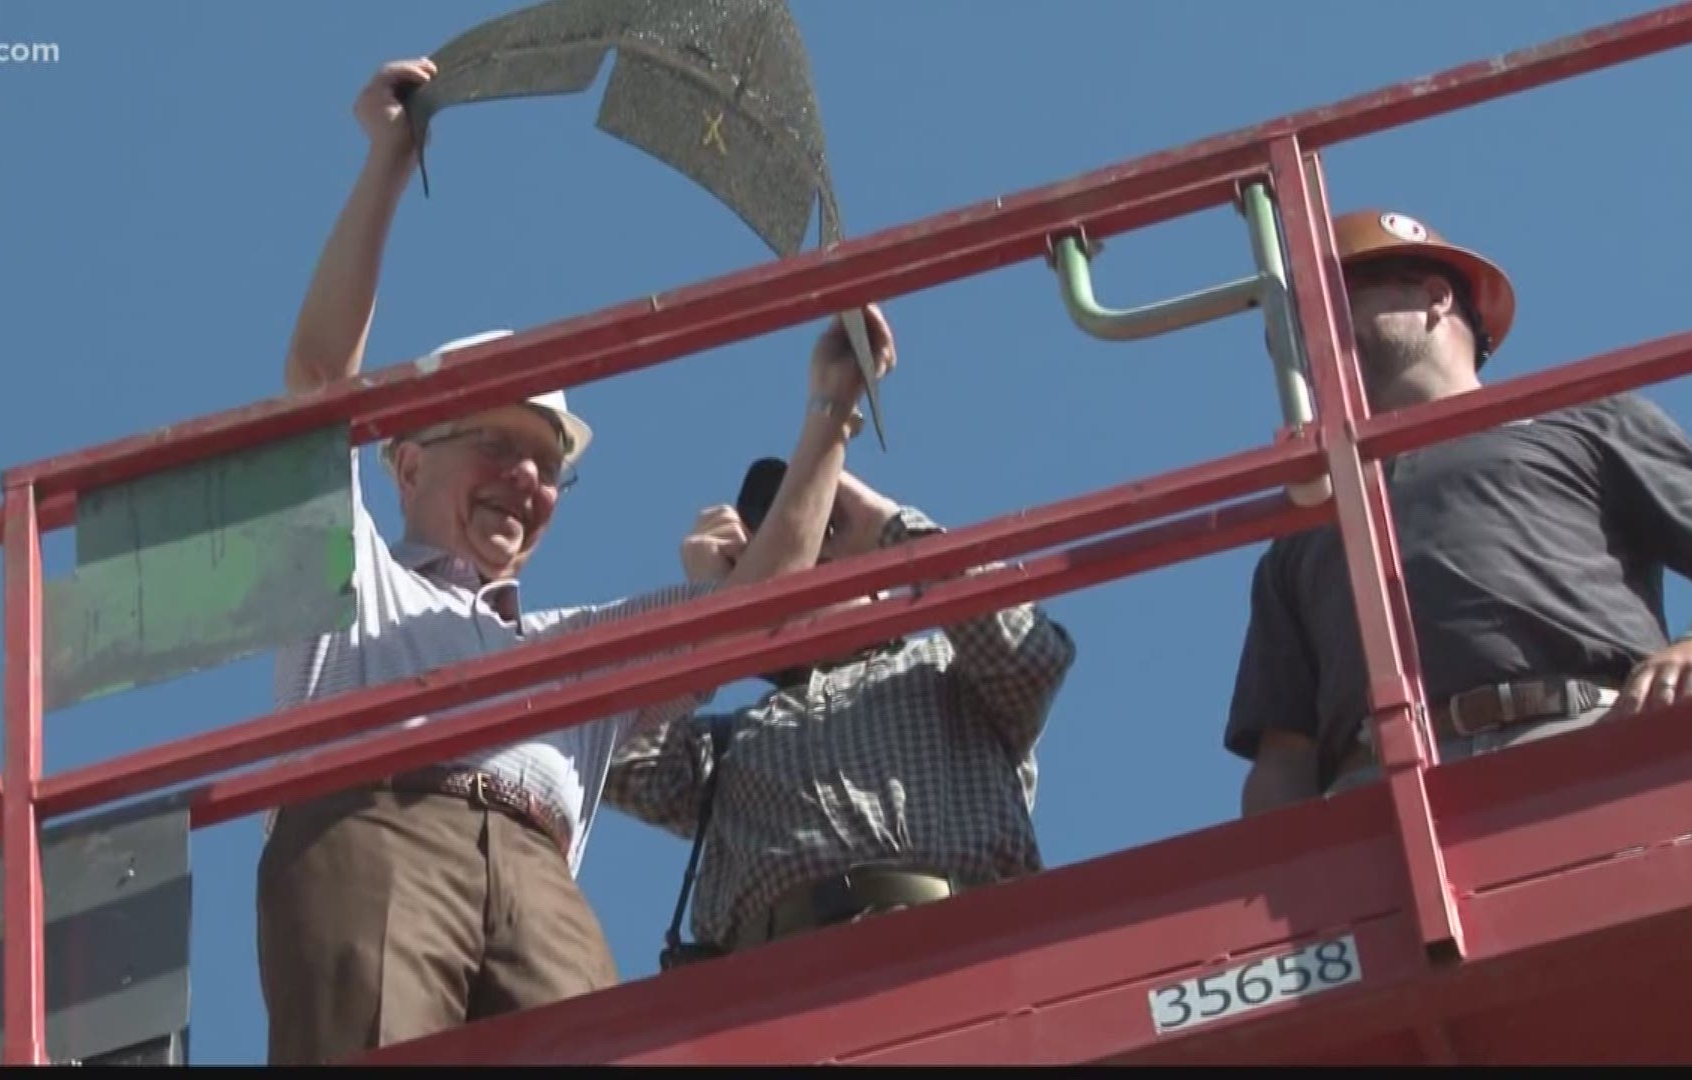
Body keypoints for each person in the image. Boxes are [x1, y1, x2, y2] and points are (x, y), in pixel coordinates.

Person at [256, 56, 897, 1064]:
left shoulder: (576, 649)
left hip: (539, 870)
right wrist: (389, 160)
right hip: (375, 830)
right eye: (498, 446)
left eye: (548, 464)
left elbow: (762, 608)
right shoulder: (353, 576)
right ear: (410, 457)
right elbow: (318, 379)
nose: (525, 477)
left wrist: (831, 412)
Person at [1226, 208, 1692, 814]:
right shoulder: (1304, 525)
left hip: (1589, 744)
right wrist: (1296, 884)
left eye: (1328, 306)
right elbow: (1285, 758)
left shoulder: (1585, 421)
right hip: (1382, 797)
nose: (1303, 341)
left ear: (1435, 296)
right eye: (1289, 327)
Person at [604, 454, 1078, 955]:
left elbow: (1029, 651)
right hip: (778, 989)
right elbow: (601, 752)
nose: (810, 571)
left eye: (826, 553)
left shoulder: (950, 670)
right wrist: (707, 613)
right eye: (789, 565)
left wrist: (883, 523)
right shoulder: (723, 747)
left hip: (959, 952)